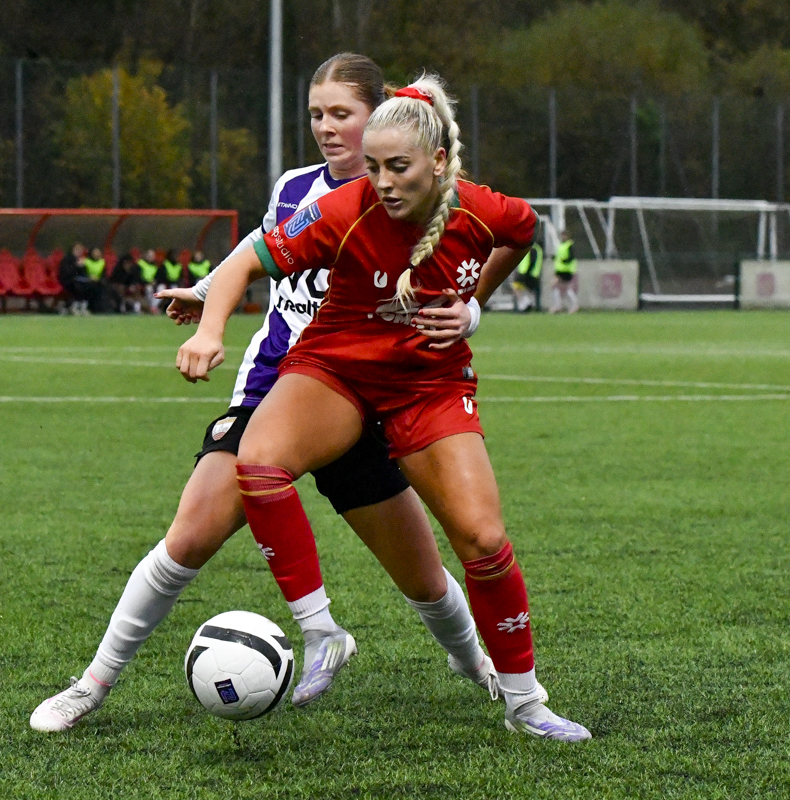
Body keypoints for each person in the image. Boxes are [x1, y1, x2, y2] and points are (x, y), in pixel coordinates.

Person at [30, 54, 497, 734]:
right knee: (188, 537)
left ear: (384, 120)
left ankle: (476, 663)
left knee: (424, 578)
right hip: (275, 392)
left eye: (343, 114)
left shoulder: (416, 202)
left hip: (365, 403)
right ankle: (91, 684)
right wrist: (207, 303)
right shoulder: (296, 188)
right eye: (316, 114)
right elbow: (257, 248)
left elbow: (469, 281)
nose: (327, 128)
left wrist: (472, 314)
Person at [174, 73, 590, 743]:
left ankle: (524, 703)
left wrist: (473, 304)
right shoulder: (344, 208)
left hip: (427, 385)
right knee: (259, 460)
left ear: (440, 162)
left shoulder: (482, 209)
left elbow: (526, 229)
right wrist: (209, 329)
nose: (383, 181)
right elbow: (244, 264)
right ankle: (322, 631)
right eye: (373, 166)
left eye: (398, 166)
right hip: (336, 369)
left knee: (483, 541)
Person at [512, 231, 543, 312]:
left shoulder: (532, 248)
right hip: (527, 272)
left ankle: (524, 304)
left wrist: (526, 273)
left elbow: (531, 262)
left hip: (526, 273)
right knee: (523, 289)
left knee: (516, 287)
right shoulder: (535, 248)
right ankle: (526, 304)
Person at [58, 243, 92, 315]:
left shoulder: (80, 260)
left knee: (90, 285)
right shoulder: (66, 259)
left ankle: (83, 306)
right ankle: (73, 306)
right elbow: (67, 273)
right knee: (78, 287)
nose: (79, 252)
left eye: (80, 250)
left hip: (79, 281)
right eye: (77, 249)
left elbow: (83, 274)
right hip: (67, 280)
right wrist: (76, 266)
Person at [551, 229, 578, 313]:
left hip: (566, 270)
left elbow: (571, 258)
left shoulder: (570, 245)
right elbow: (559, 255)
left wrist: (563, 260)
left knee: (563, 288)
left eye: (565, 235)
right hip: (559, 270)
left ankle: (572, 305)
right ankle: (559, 305)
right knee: (556, 287)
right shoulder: (562, 245)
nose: (563, 237)